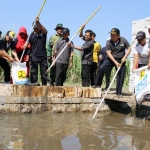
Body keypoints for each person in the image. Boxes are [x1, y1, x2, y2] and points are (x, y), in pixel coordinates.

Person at [93, 28, 131, 96]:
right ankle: (97, 84)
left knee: (120, 75)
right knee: (101, 68)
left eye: (113, 35)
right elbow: (108, 53)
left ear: (118, 36)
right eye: (111, 34)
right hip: (111, 59)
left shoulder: (123, 40)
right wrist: (115, 62)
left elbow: (129, 48)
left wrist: (125, 57)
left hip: (121, 59)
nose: (112, 36)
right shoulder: (109, 42)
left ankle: (118, 93)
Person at [27, 17, 48, 85]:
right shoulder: (31, 35)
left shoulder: (43, 33)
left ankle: (44, 86)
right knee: (33, 72)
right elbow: (27, 44)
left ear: (39, 27)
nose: (35, 29)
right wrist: (25, 45)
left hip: (43, 56)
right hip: (34, 56)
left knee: (44, 72)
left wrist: (38, 22)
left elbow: (44, 30)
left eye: (36, 27)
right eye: (34, 27)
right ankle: (33, 85)